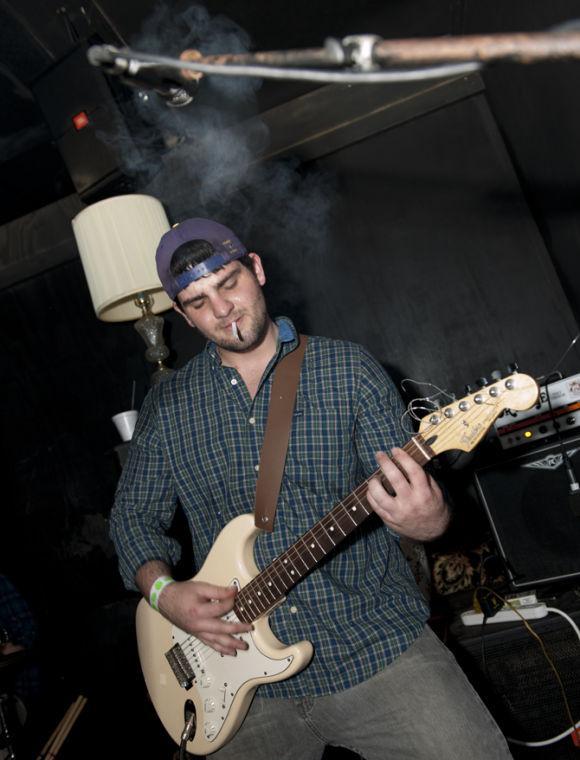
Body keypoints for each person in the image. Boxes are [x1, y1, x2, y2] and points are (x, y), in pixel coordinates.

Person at [110, 218, 512, 759]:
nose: (222, 308)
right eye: (199, 301)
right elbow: (131, 518)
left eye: (228, 282)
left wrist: (429, 517)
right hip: (235, 687)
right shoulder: (169, 406)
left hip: (372, 647)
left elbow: (425, 509)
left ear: (256, 268)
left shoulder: (347, 369)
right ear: (181, 314)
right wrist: (165, 594)